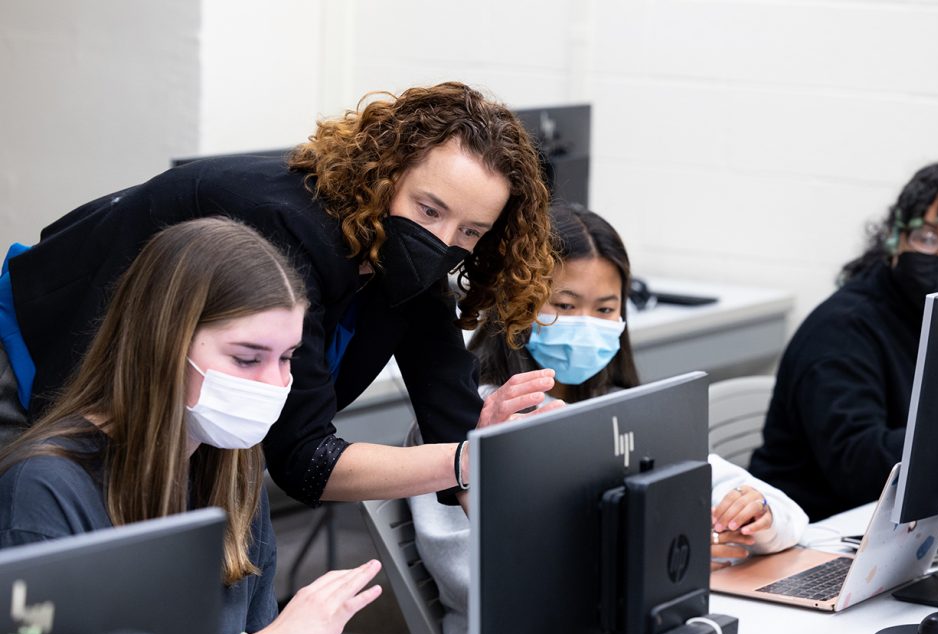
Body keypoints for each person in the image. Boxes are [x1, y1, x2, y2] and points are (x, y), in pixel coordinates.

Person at [0, 81, 556, 513]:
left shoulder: (410, 254)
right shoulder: (281, 230)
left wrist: (495, 499)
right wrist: (463, 463)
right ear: (385, 174)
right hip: (35, 358)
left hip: (167, 420)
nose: (442, 242)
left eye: (470, 232)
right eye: (429, 209)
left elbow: (453, 424)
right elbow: (306, 460)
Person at [0, 218, 384, 634]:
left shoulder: (234, 466)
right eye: (248, 358)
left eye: (287, 358)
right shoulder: (44, 489)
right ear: (163, 341)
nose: (276, 385)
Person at [409, 203, 809, 634]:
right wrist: (662, 557)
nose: (587, 325)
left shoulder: (622, 410)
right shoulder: (461, 419)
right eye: (564, 304)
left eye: (605, 309)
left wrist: (756, 516)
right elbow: (474, 579)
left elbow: (789, 515)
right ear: (517, 302)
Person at [749, 162, 938, 522]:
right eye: (928, 239)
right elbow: (859, 468)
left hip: (898, 528)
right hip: (809, 533)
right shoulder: (842, 330)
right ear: (894, 237)